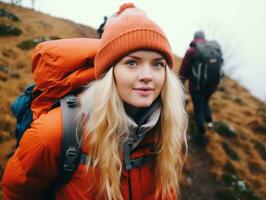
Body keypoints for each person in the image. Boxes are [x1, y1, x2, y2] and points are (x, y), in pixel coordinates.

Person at [2, 3, 188, 200]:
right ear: (110, 72)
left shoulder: (167, 125)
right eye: (132, 63)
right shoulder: (55, 132)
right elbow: (17, 193)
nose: (147, 76)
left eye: (158, 64)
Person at [179, 30, 222, 145]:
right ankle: (209, 123)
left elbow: (184, 70)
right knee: (206, 102)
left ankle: (201, 134)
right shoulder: (213, 49)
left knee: (198, 108)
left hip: (197, 87)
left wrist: (180, 84)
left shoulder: (192, 51)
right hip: (211, 86)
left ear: (194, 38)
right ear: (204, 37)